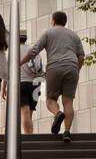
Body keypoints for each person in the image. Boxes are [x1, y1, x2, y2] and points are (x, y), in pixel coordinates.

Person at [21, 11, 84, 143]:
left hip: (54, 67)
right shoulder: (74, 36)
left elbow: (34, 51)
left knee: (50, 99)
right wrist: (76, 70)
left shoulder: (48, 33)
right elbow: (81, 57)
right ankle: (66, 132)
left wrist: (20, 62)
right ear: (65, 22)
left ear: (53, 21)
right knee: (68, 102)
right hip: (72, 67)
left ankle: (57, 114)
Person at [18, 29, 44, 134]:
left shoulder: (13, 51)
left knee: (24, 110)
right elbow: (39, 68)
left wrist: (4, 87)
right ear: (25, 38)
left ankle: (28, 136)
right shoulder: (32, 49)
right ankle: (30, 133)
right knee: (30, 112)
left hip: (21, 83)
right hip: (35, 84)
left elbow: (7, 71)